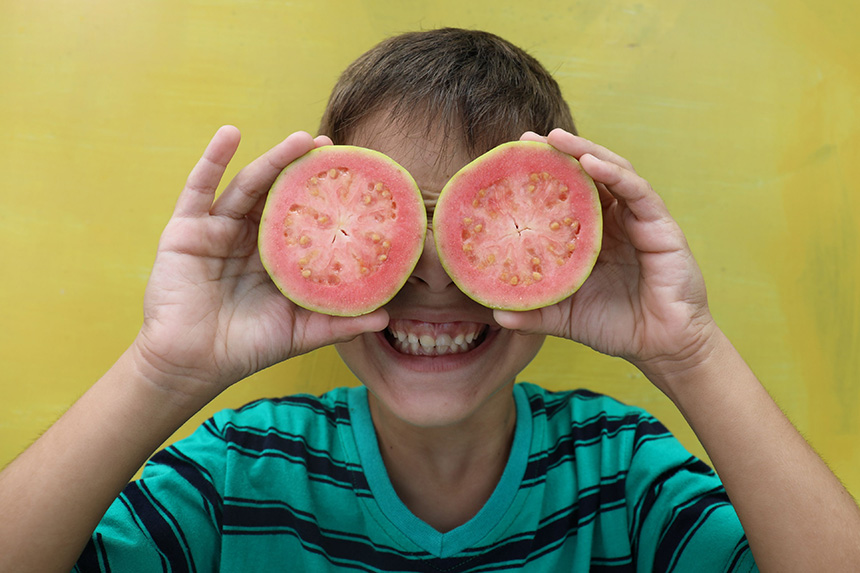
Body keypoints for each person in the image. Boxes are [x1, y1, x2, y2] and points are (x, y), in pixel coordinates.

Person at [1, 28, 858, 572]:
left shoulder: (626, 475)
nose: (437, 278)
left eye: (480, 225)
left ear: (576, 238)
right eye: (396, 221)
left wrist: (689, 349)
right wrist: (162, 366)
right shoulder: (236, 473)